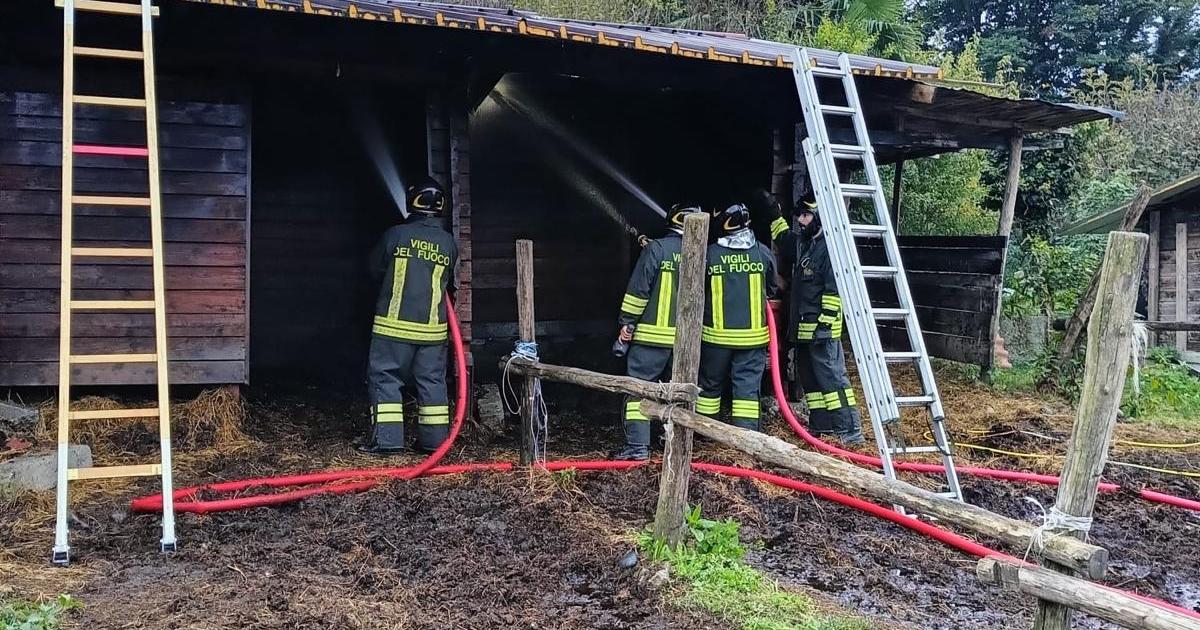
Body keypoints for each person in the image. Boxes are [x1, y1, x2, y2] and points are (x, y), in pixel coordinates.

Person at [360, 177, 459, 455]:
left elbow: (373, 270)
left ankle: (389, 442)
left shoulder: (395, 235)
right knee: (432, 385)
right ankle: (434, 444)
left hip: (393, 329)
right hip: (433, 333)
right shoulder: (449, 243)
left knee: (386, 379)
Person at [612, 203, 706, 460]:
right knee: (677, 393)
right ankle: (673, 446)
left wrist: (627, 322)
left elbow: (638, 291)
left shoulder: (658, 249)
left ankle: (637, 448)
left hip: (651, 339)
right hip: (686, 342)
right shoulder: (701, 252)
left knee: (638, 390)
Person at [788, 193, 864, 444]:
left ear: (819, 218)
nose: (801, 220)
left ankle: (850, 430)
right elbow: (784, 240)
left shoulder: (830, 250)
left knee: (833, 380)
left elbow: (834, 292)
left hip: (822, 331)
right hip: (803, 330)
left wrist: (825, 325)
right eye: (799, 215)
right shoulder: (807, 244)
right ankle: (822, 425)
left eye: (806, 215)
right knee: (811, 381)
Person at [697, 204, 778, 430]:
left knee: (710, 387)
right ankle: (747, 436)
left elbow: (696, 289)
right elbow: (771, 288)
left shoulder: (710, 253)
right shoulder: (762, 252)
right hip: (752, 341)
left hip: (716, 339)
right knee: (746, 390)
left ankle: (705, 432)